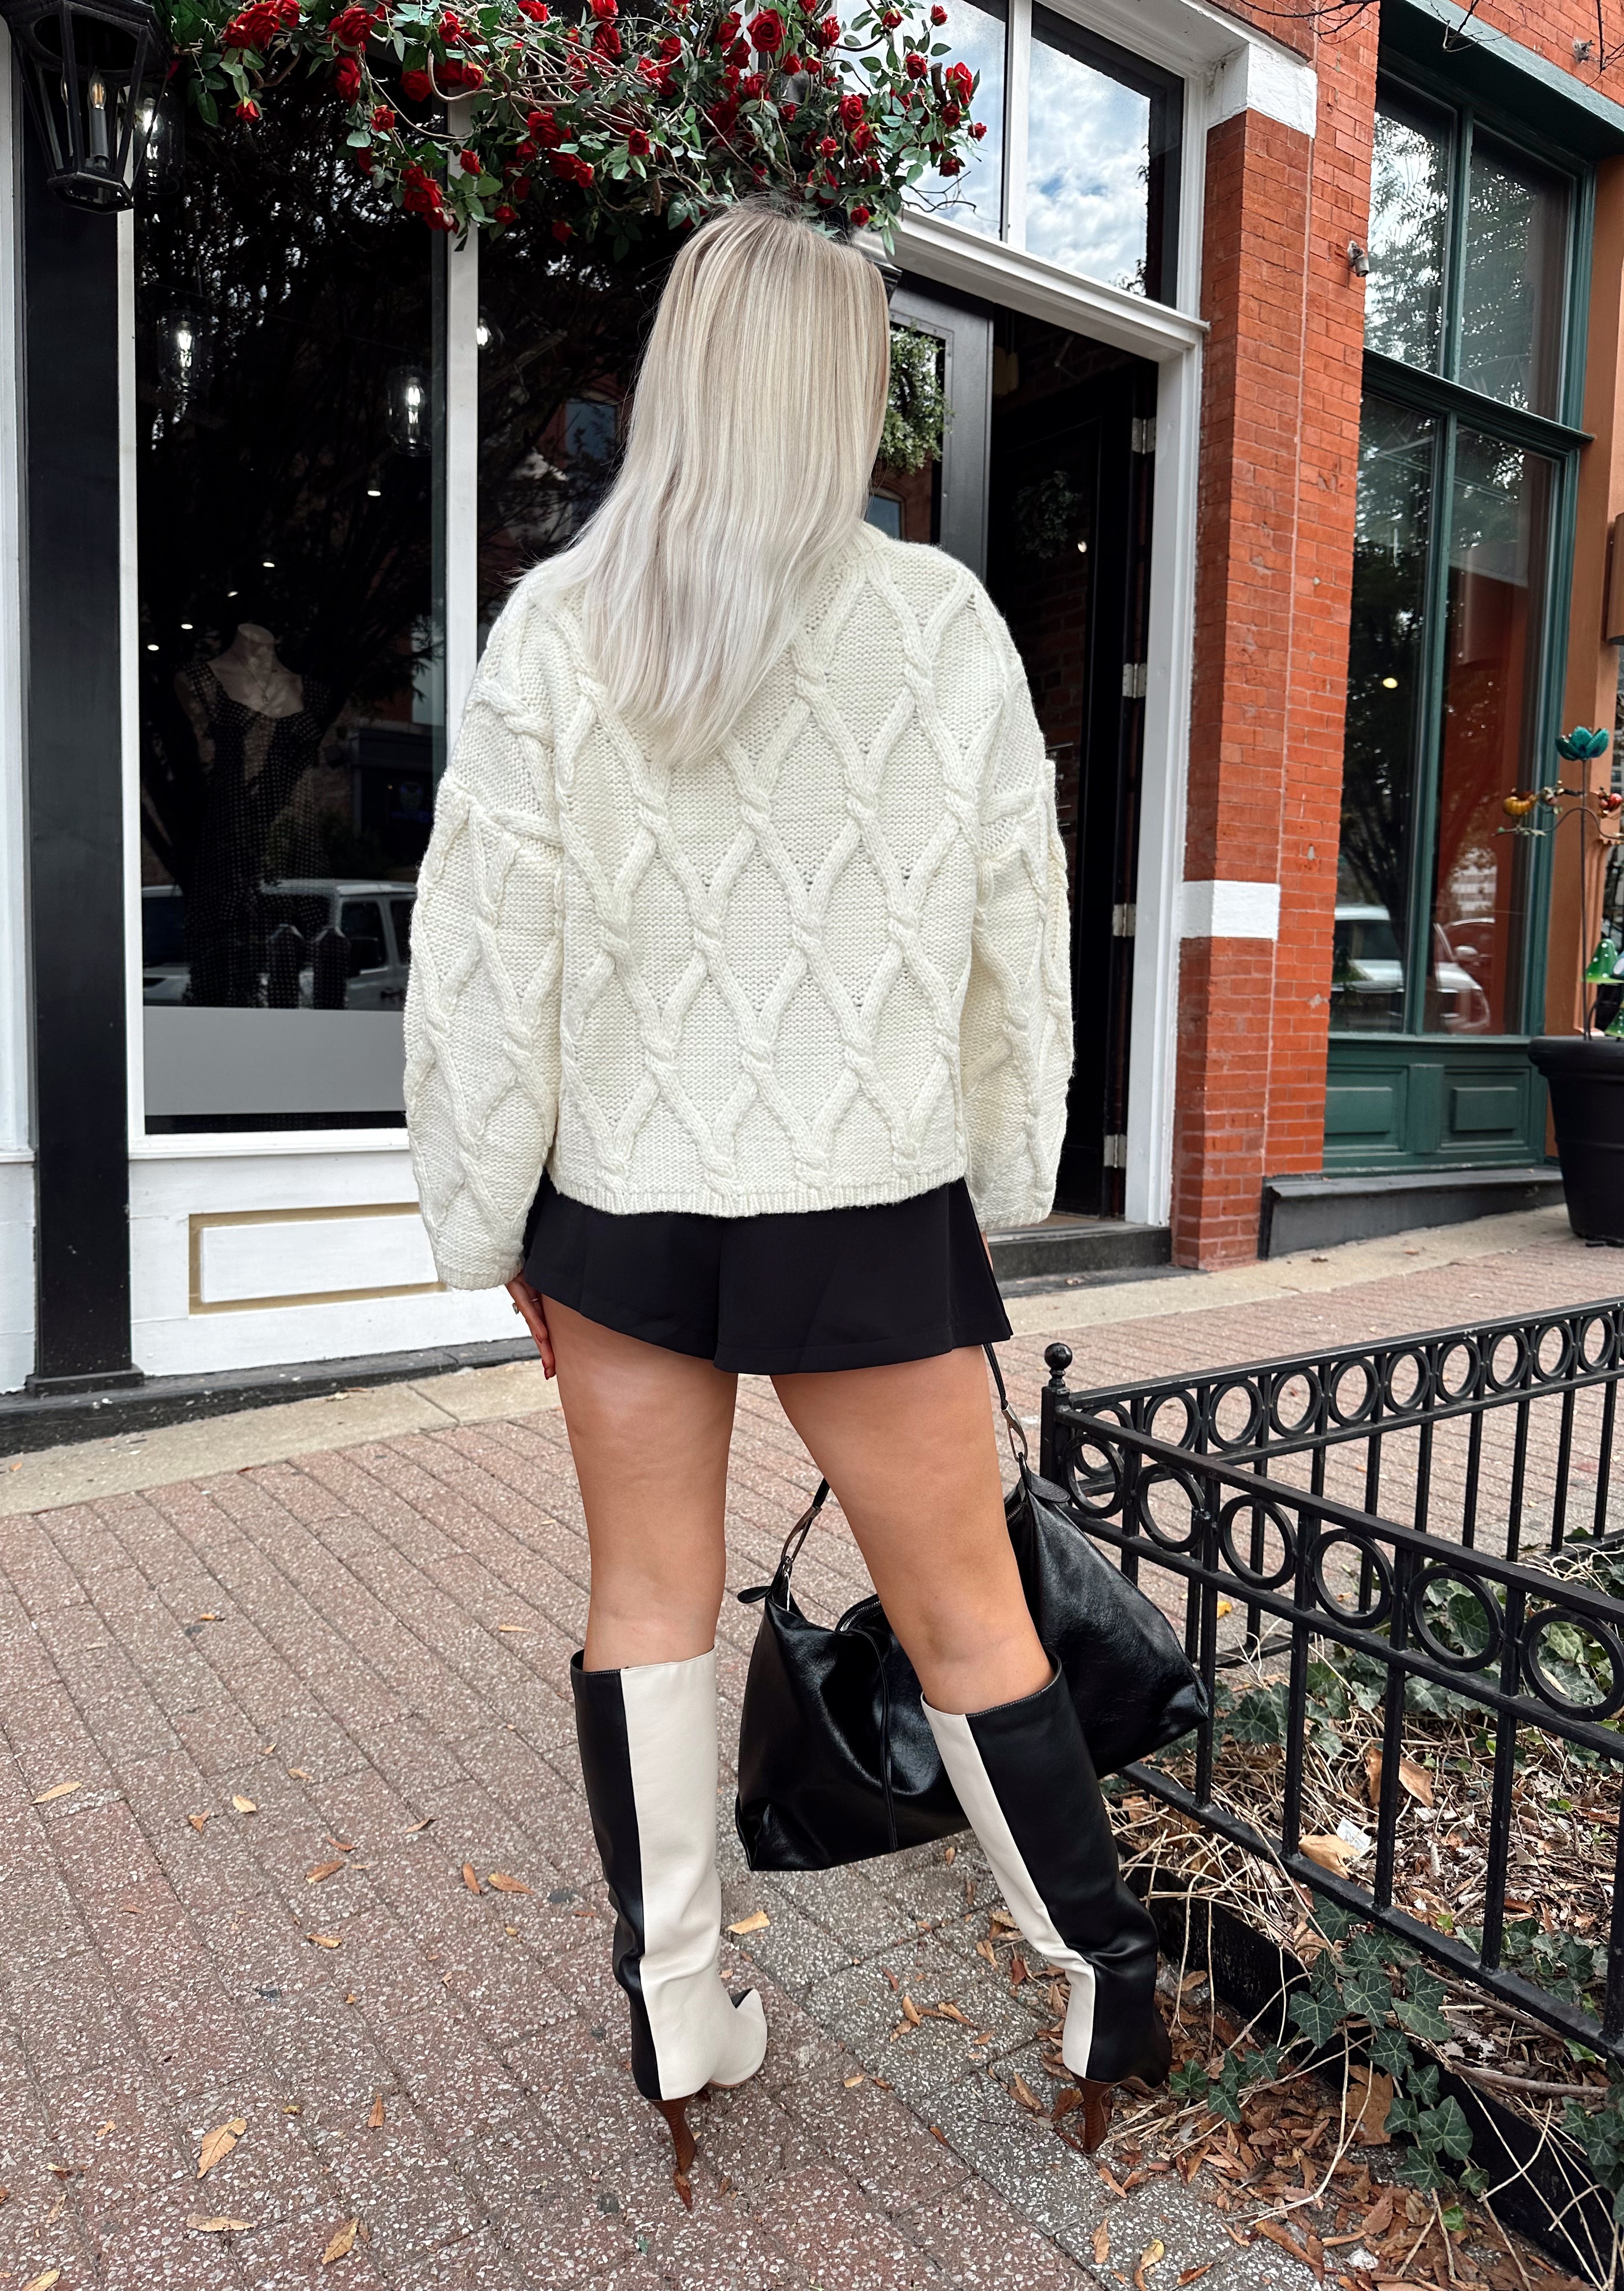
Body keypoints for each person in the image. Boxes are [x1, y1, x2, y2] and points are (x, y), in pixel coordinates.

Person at [403, 198, 1168, 2198]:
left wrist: (489, 1215)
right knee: (972, 1613)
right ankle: (1099, 1985)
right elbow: (1025, 937)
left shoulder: (565, 627)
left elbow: (487, 954)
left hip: (629, 1199)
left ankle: (676, 2020)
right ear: (844, 395)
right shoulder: (941, 631)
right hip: (862, 1195)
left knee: (645, 1605)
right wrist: (1004, 1169)